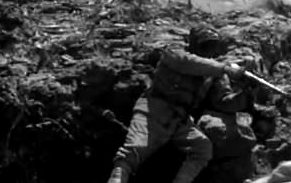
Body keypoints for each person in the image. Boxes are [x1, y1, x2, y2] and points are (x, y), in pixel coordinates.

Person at [107, 27, 250, 183]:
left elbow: (224, 102)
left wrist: (247, 92)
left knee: (202, 148)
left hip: (180, 120)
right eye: (205, 45)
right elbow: (189, 63)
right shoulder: (175, 52)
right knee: (134, 149)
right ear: (193, 43)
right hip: (154, 110)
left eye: (212, 46)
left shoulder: (215, 72)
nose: (208, 50)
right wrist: (224, 68)